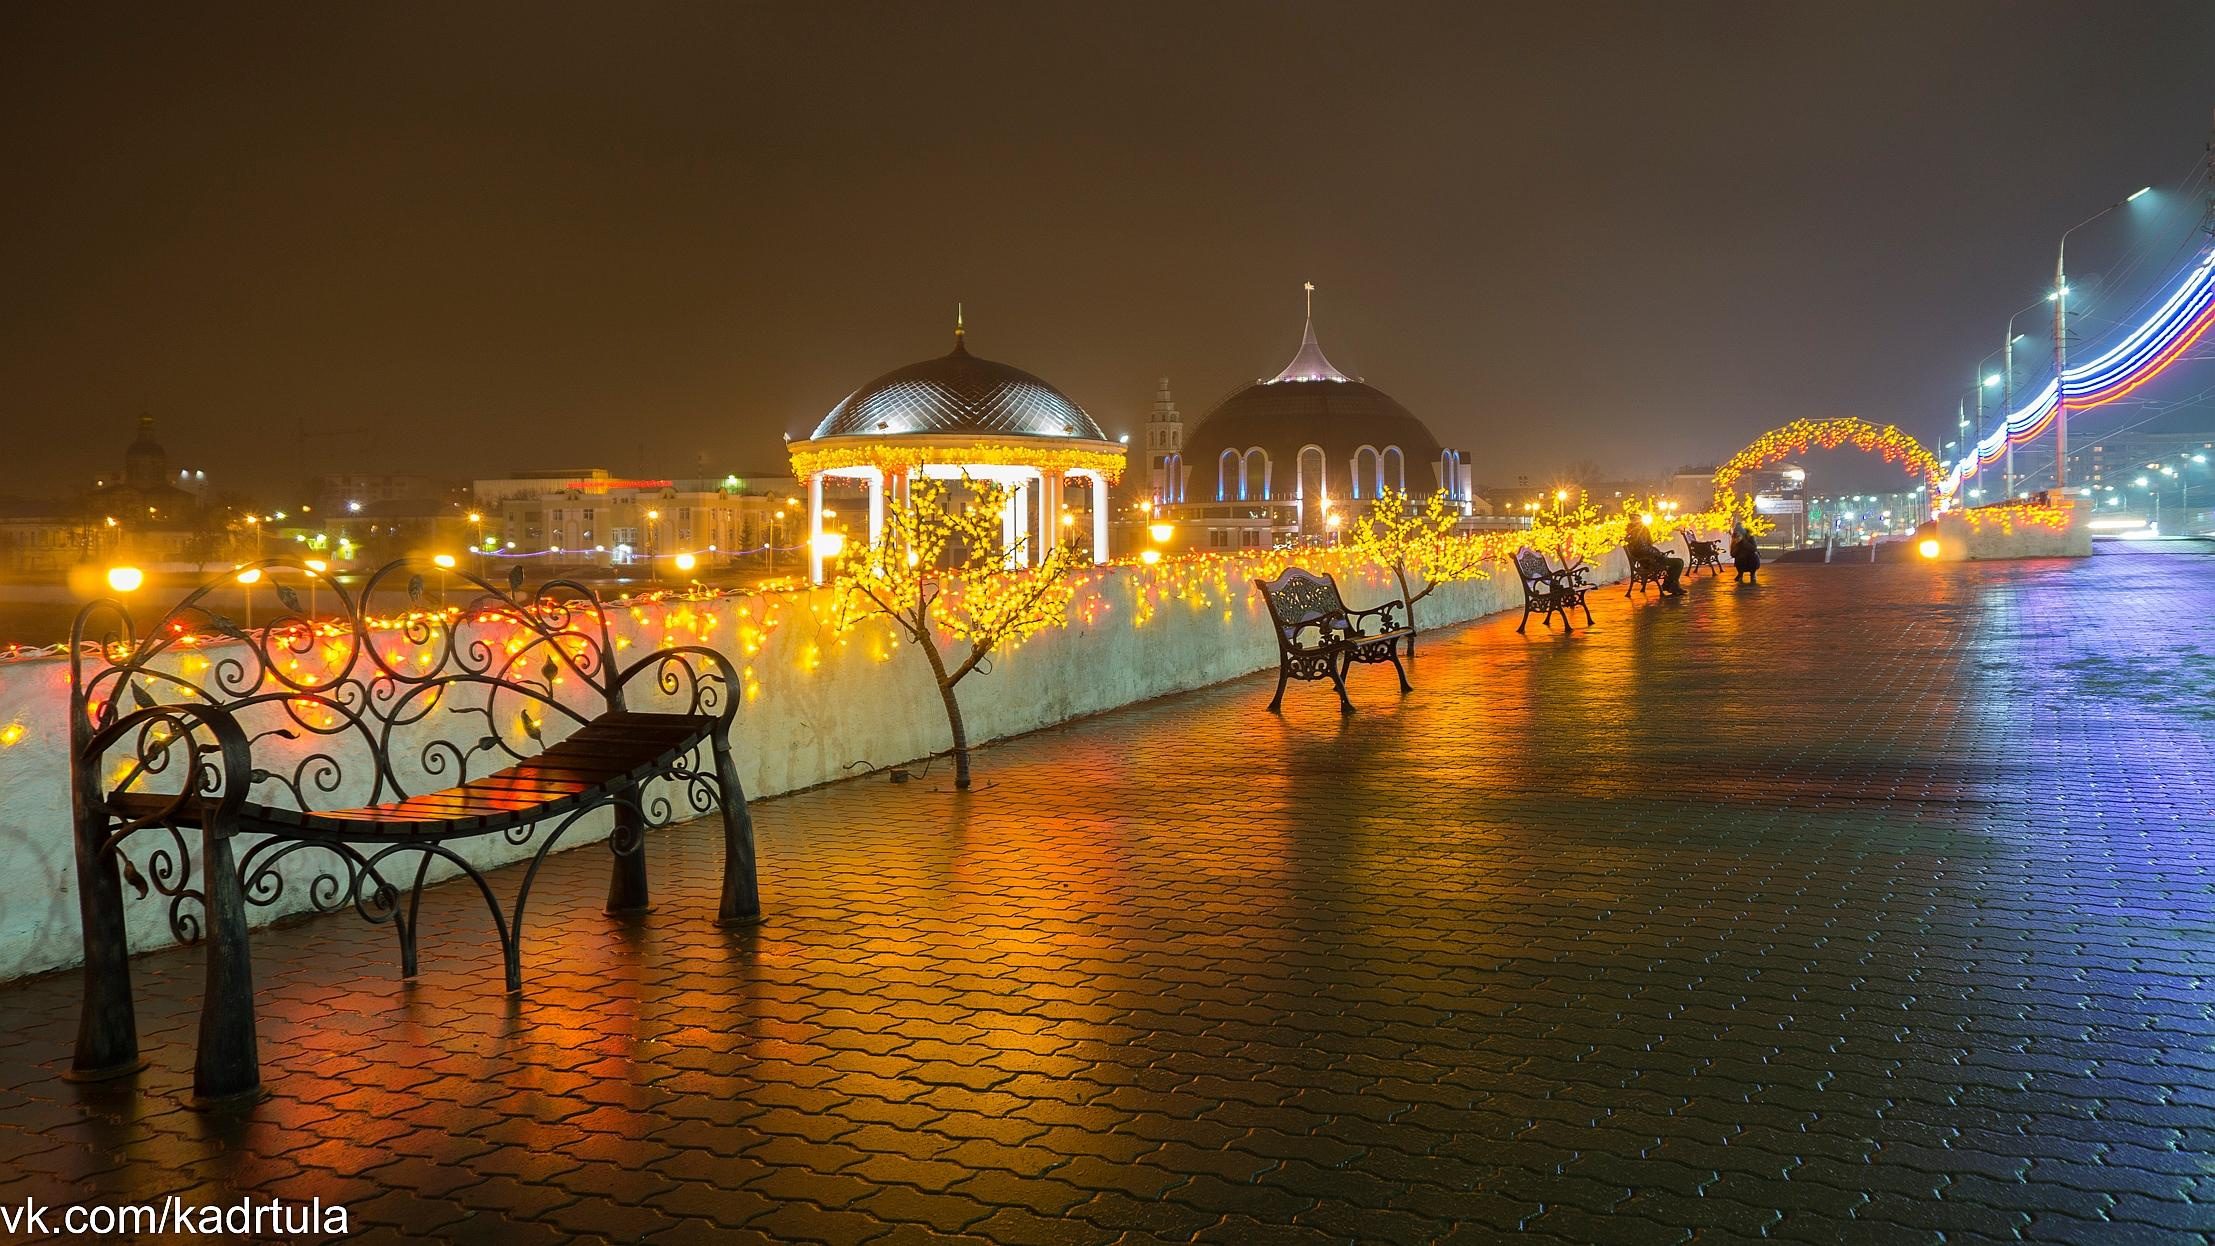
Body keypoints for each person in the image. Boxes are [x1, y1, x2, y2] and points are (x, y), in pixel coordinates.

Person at [1625, 516, 1684, 596]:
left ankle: (1670, 585)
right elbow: (1643, 548)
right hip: (1650, 560)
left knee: (1677, 562)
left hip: (1650, 558)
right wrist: (1658, 554)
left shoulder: (1636, 531)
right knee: (1678, 563)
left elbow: (1646, 547)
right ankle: (1670, 585)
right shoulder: (1638, 531)